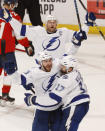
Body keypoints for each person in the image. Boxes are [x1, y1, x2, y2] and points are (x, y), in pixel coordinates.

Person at [24, 55, 90, 131]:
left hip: (75, 105)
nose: (61, 68)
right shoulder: (75, 72)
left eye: (64, 67)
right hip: (81, 104)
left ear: (70, 68)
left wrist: (33, 99)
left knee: (67, 128)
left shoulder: (66, 79)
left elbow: (53, 100)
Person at [0, 9, 96, 60]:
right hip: (42, 66)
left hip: (58, 66)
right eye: (50, 22)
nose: (52, 24)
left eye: (54, 22)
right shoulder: (38, 31)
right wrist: (10, 19)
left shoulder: (63, 32)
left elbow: (79, 36)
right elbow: (20, 29)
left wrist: (87, 24)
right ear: (46, 24)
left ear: (56, 24)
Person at [0, 0, 34, 106]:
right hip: (7, 51)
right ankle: (4, 96)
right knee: (9, 73)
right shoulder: (14, 16)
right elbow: (19, 34)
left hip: (5, 49)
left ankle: (5, 96)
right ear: (11, 4)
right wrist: (27, 45)